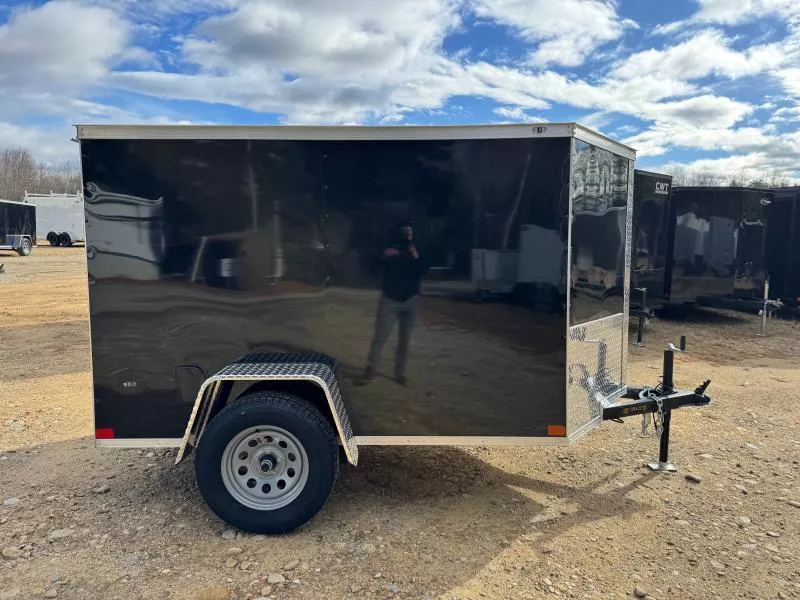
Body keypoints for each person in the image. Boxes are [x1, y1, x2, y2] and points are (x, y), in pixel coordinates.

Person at [363, 224, 427, 385]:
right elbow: (371, 268)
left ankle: (401, 373)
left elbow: (424, 270)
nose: (408, 237)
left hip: (411, 301)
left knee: (405, 339)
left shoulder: (417, 251)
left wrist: (416, 256)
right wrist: (384, 256)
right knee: (380, 337)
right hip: (390, 300)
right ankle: (371, 370)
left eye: (410, 234)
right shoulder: (389, 249)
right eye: (405, 234)